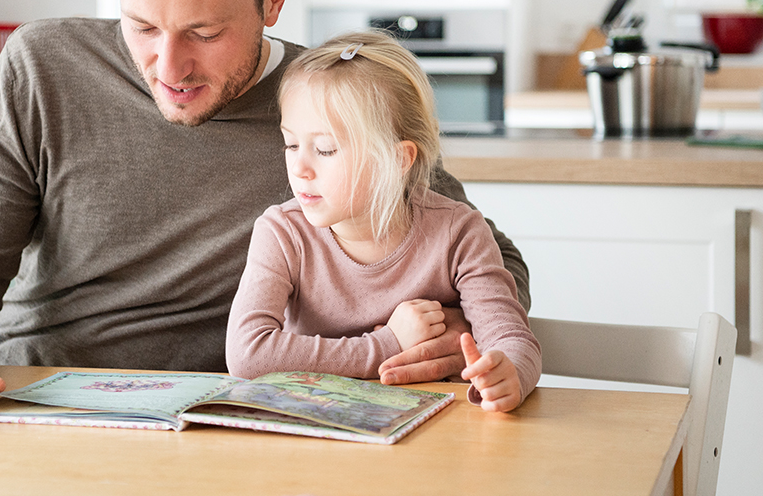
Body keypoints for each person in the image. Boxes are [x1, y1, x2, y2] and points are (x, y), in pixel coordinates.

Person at [0, 0, 531, 423]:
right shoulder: (42, 67)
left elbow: (488, 256)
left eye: (204, 32)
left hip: (237, 420)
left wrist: (460, 331)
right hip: (44, 405)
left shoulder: (330, 103)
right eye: (142, 26)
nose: (169, 68)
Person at [225, 30, 541, 411]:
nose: (300, 168)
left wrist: (510, 375)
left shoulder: (459, 234)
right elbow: (247, 354)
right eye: (291, 144)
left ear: (397, 160)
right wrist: (387, 344)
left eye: (325, 149)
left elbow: (511, 339)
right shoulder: (281, 234)